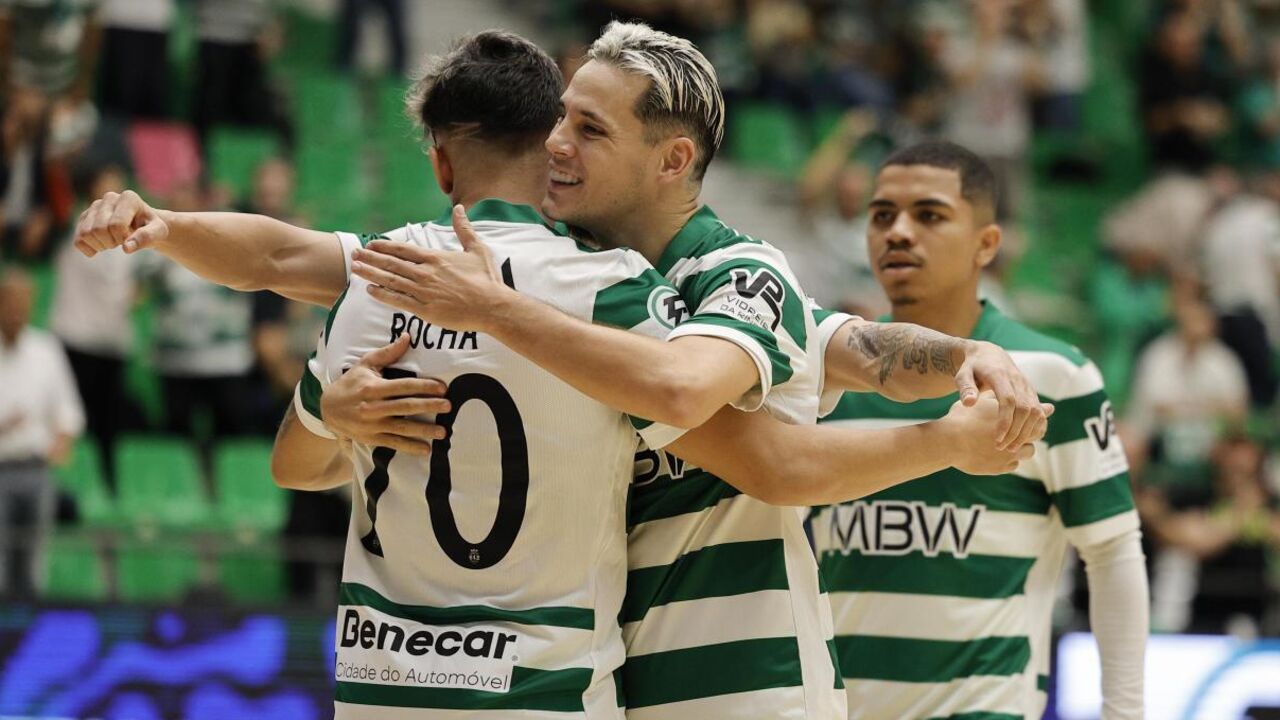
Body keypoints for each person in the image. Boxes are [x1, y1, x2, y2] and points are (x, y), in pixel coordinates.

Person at [75, 26, 1048, 718]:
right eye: (559, 120)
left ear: (670, 159)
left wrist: (969, 370)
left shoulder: (732, 273)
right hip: (600, 676)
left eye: (588, 128)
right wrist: (167, 228)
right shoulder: (580, 278)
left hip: (736, 684)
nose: (556, 143)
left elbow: (770, 394)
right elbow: (286, 258)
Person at [808, 141, 1147, 719]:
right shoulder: (825, 375)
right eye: (882, 214)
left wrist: (1125, 714)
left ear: (987, 244)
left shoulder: (1055, 374)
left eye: (929, 215)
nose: (898, 232)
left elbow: (1112, 551)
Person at [0, 266, 84, 597]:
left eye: (24, 303)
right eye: (11, 303)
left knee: (34, 561)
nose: (17, 311)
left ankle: (27, 622)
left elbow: (69, 410)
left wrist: (61, 441)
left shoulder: (45, 350)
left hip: (36, 468)